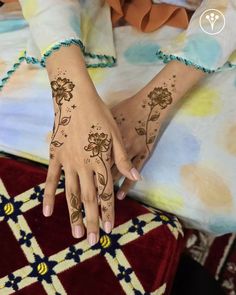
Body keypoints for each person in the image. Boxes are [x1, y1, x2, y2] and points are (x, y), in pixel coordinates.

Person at [2, 0, 236, 245]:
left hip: (209, 27)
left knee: (216, 195)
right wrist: (69, 97)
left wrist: (153, 104)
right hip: (74, 15)